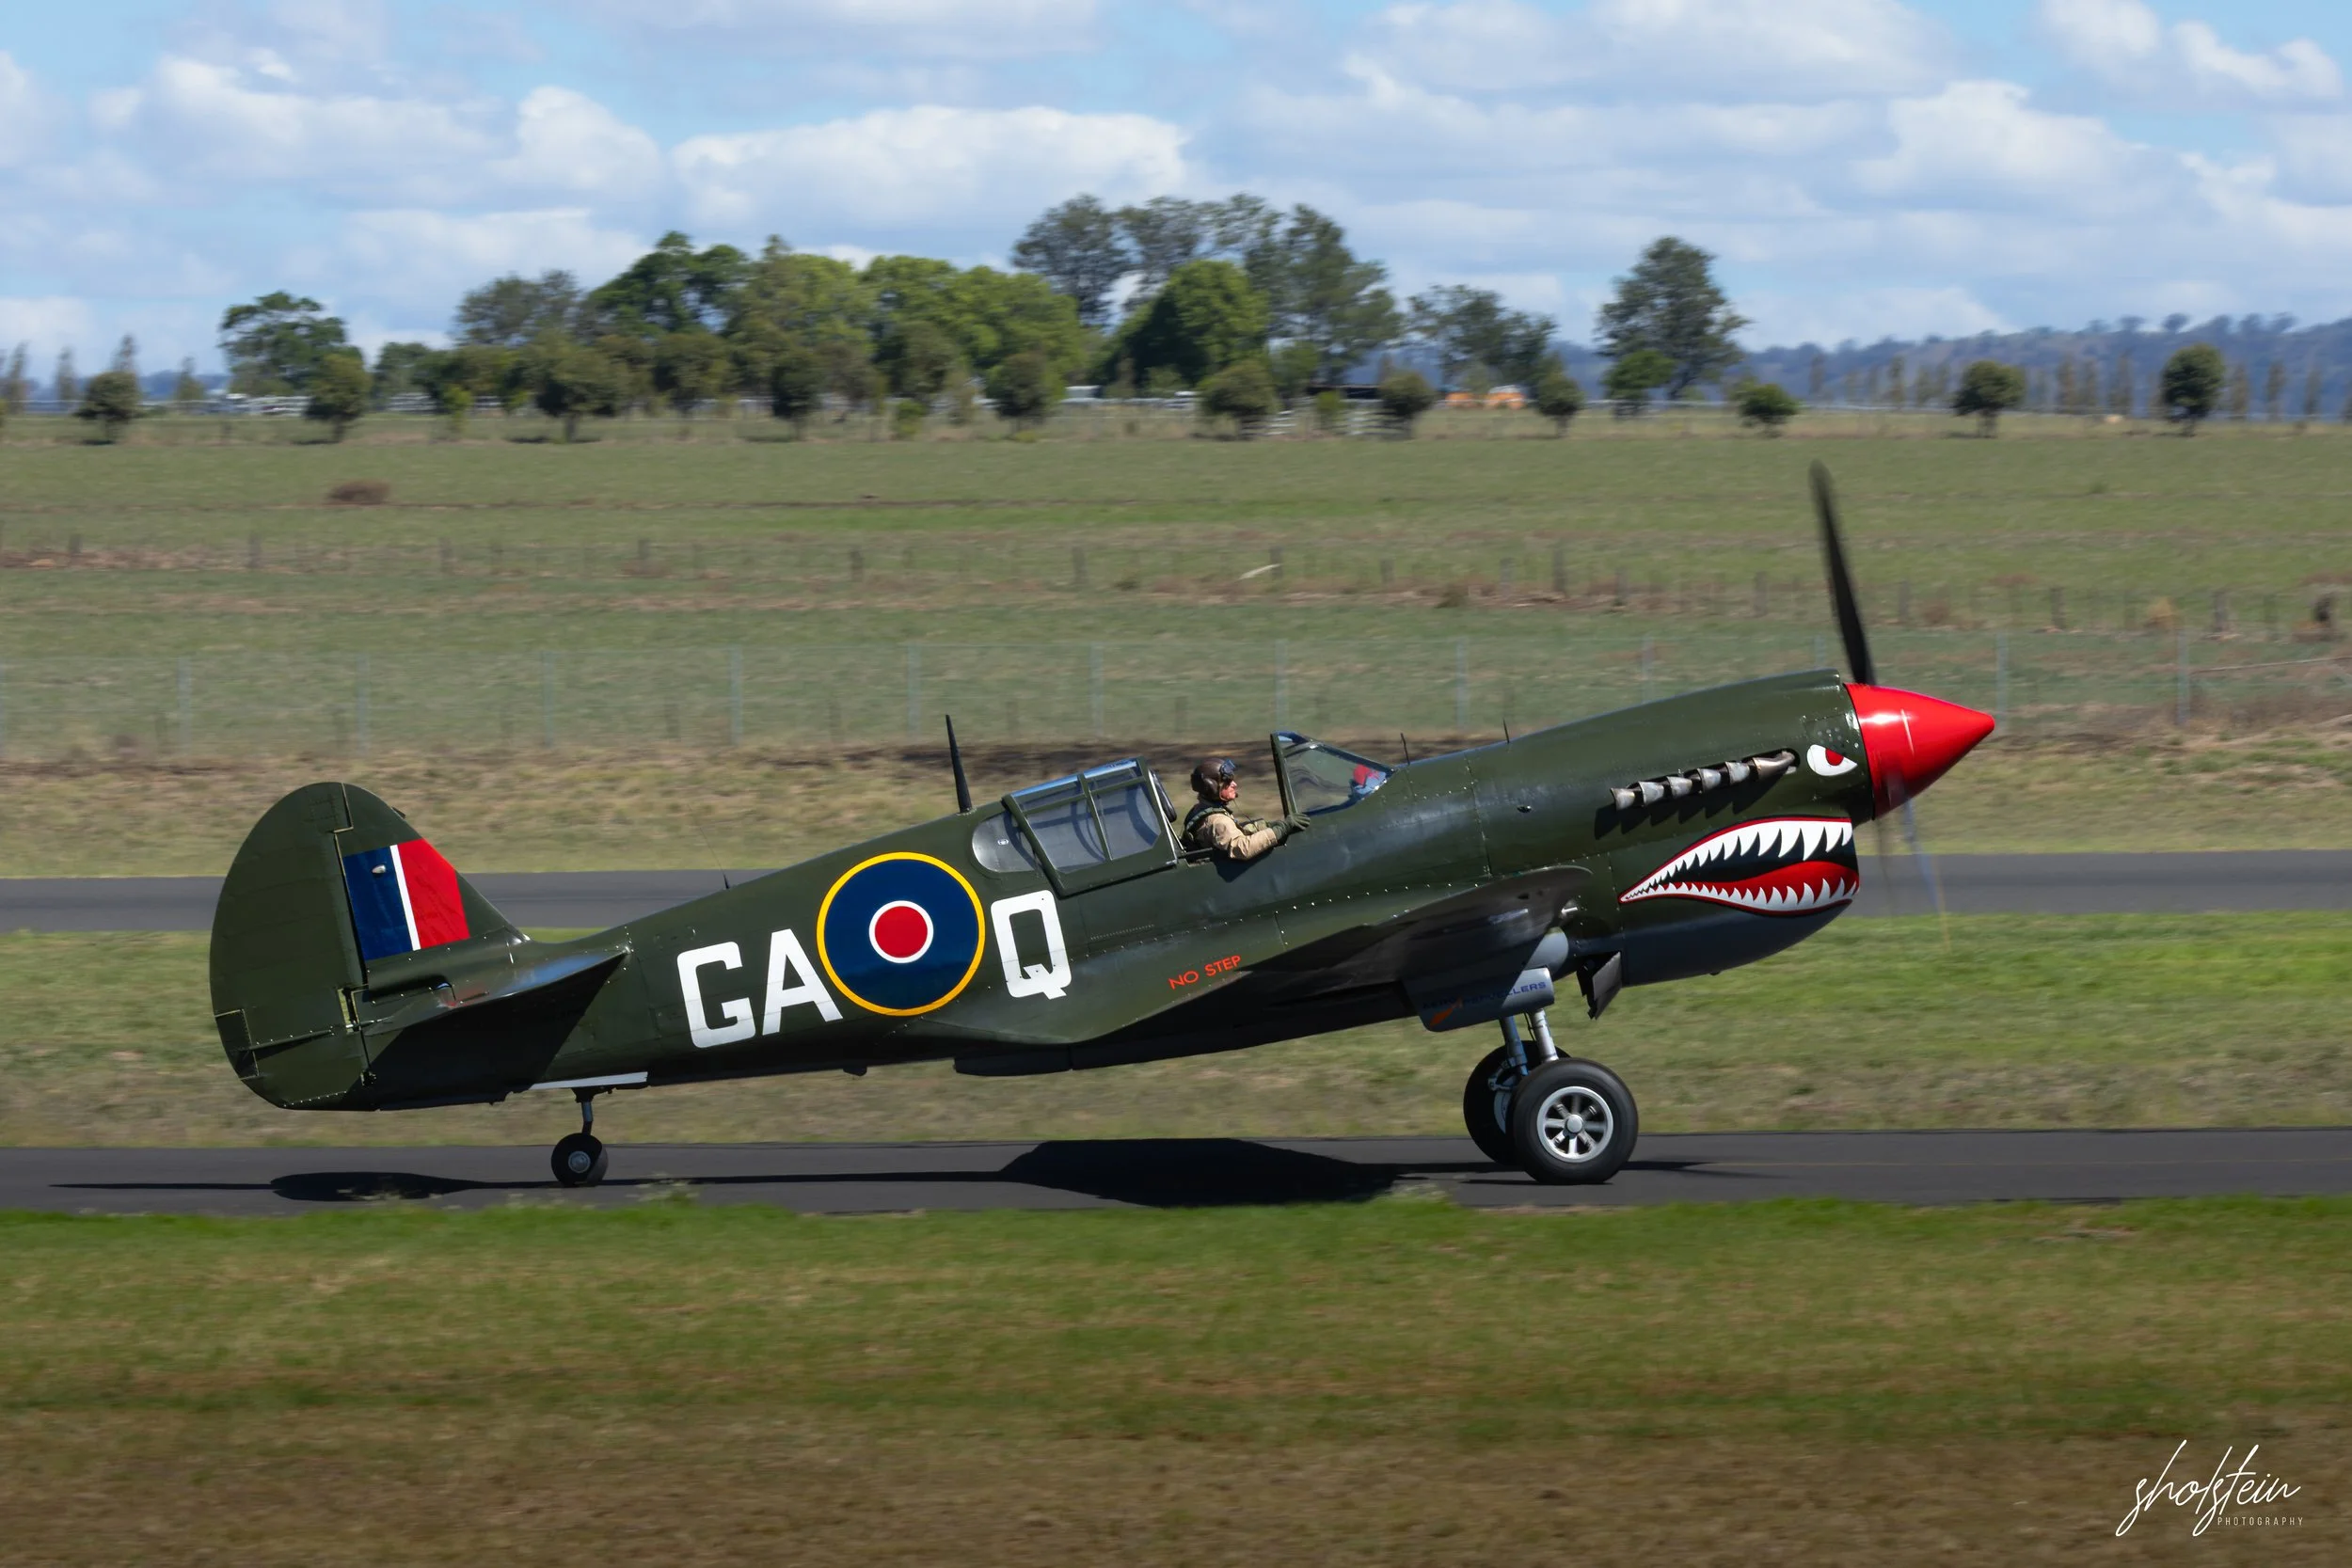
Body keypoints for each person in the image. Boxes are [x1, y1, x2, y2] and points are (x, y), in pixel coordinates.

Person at [1182, 757, 1311, 862]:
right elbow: (1243, 848)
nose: (1234, 785)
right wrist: (1280, 829)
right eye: (1228, 783)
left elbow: (1235, 831)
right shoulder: (1218, 821)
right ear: (1212, 789)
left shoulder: (1199, 809)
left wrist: (1266, 826)